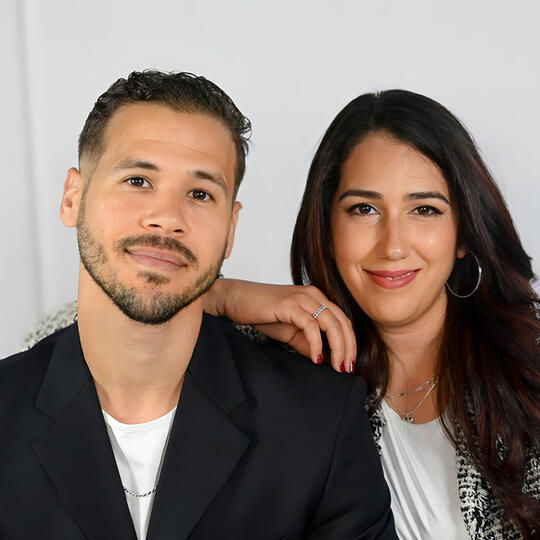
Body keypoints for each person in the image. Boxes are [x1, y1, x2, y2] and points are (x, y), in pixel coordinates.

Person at [23, 89, 540, 538]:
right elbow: (73, 338)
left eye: (424, 209)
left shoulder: (527, 372)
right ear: (327, 229)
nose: (394, 245)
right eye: (363, 209)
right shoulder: (291, 355)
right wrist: (221, 296)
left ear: (463, 234)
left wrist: (218, 293)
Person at [0, 71, 397, 540]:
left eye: (200, 194)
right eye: (138, 180)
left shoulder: (319, 421)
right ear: (74, 197)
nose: (167, 218)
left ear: (230, 228)